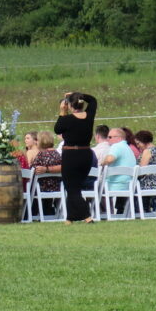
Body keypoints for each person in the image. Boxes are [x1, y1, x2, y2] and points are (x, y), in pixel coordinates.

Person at [53, 92, 98, 223]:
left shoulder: (67, 119)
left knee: (71, 189)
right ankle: (70, 218)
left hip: (71, 155)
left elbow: (57, 129)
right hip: (86, 155)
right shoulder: (89, 115)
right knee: (76, 187)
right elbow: (93, 100)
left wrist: (62, 111)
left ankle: (87, 217)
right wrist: (79, 95)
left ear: (70, 105)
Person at [100, 127, 137, 214]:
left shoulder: (116, 146)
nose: (107, 139)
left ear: (119, 138)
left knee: (95, 188)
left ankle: (102, 214)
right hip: (129, 183)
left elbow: (110, 159)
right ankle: (117, 211)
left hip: (116, 184)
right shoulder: (128, 148)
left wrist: (102, 163)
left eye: (110, 137)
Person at [31, 131, 63, 217]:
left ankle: (32, 213)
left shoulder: (41, 155)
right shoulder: (57, 155)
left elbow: (32, 170)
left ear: (41, 141)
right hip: (57, 187)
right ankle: (49, 211)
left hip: (42, 187)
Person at [134, 130, 156, 212]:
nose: (138, 146)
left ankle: (137, 211)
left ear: (144, 141)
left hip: (146, 184)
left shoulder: (147, 151)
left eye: (138, 143)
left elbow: (142, 170)